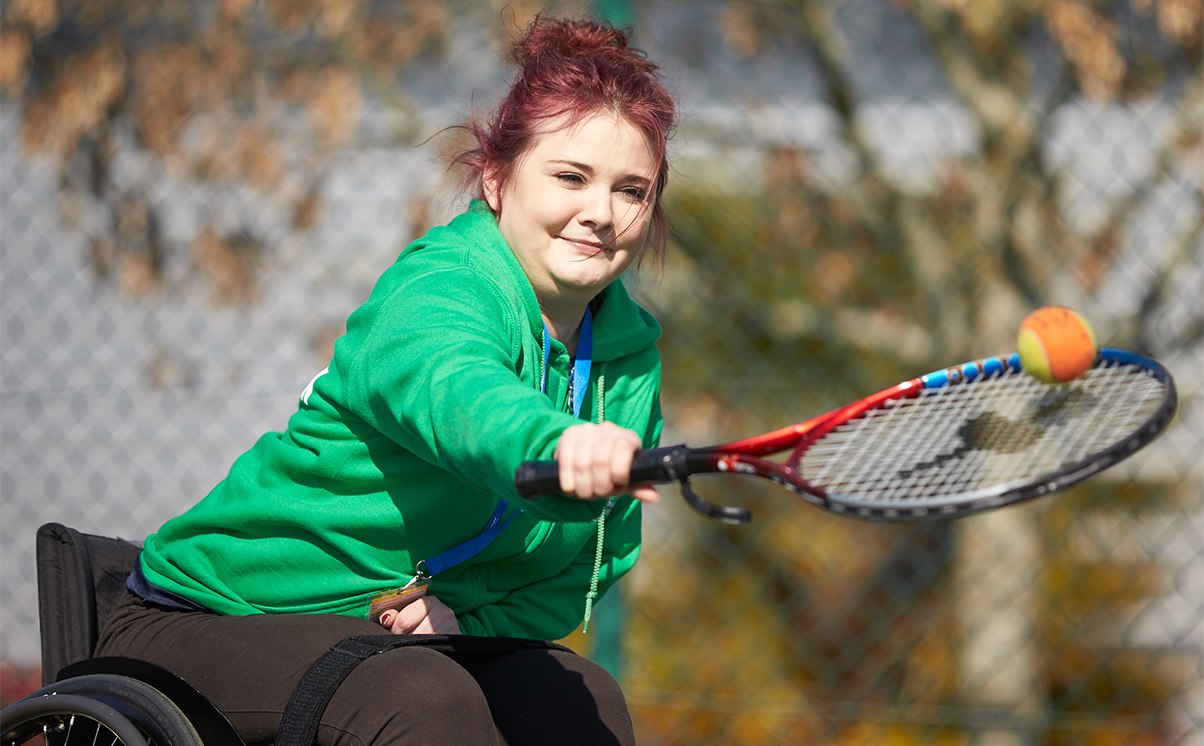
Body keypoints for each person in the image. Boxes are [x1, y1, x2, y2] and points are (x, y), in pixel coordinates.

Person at [94, 13, 678, 746]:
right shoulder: (437, 290)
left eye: (632, 191)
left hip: (382, 640)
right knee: (420, 702)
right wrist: (559, 447)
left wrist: (471, 624)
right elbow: (460, 395)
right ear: (497, 179)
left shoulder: (626, 361)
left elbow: (585, 567)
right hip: (210, 616)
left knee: (579, 700)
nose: (601, 214)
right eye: (571, 177)